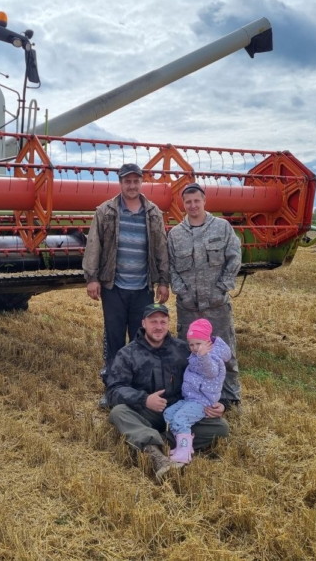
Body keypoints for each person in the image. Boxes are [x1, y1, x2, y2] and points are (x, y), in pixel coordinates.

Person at [105, 303, 229, 480]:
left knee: (221, 428)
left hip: (181, 411)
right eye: (153, 321)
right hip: (147, 413)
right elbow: (113, 390)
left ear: (168, 323)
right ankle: (156, 455)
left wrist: (222, 403)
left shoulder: (183, 349)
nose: (158, 326)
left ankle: (156, 441)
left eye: (163, 322)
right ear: (143, 323)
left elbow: (208, 377)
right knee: (118, 413)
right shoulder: (127, 354)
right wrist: (144, 399)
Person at [82, 163, 170, 409]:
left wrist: (163, 281)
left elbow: (161, 249)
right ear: (120, 183)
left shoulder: (153, 213)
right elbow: (94, 246)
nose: (132, 185)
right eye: (127, 181)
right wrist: (92, 278)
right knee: (114, 339)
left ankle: (139, 389)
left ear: (142, 183)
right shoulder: (105, 211)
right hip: (114, 288)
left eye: (136, 181)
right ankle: (113, 389)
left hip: (143, 288)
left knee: (142, 339)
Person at [167, 182, 242, 408]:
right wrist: (182, 292)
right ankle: (188, 397)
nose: (192, 205)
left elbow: (234, 258)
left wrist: (221, 288)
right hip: (188, 308)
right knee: (187, 354)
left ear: (204, 201)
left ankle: (230, 399)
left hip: (217, 306)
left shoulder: (222, 227)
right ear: (183, 205)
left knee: (224, 352)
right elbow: (170, 267)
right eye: (188, 202)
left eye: (196, 200)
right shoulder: (175, 234)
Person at [163, 318, 230, 465]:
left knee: (180, 419)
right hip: (190, 399)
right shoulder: (196, 355)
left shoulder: (212, 357)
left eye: (198, 344)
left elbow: (210, 372)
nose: (194, 348)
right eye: (191, 344)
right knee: (168, 414)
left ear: (208, 342)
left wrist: (203, 356)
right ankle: (183, 445)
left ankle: (184, 452)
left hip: (202, 402)